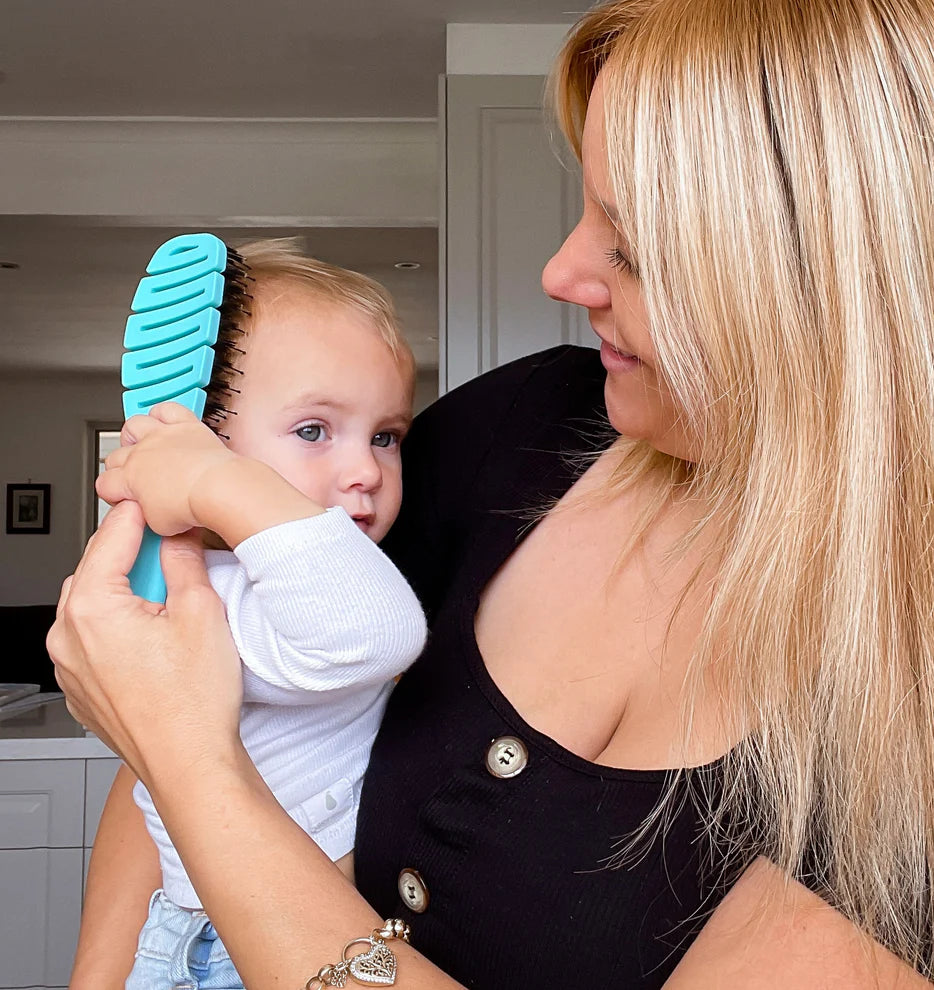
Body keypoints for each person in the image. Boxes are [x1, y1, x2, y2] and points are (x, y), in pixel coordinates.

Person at [48, 1, 934, 987]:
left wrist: (187, 759)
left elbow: (175, 730)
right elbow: (222, 687)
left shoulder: (905, 709)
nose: (561, 272)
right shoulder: (515, 427)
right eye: (586, 208)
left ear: (836, 288)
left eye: (634, 246)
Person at [82, 238, 427, 988]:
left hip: (276, 932)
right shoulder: (210, 598)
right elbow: (379, 635)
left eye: (386, 436)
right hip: (220, 950)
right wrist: (215, 483)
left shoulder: (305, 581)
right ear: (204, 446)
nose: (365, 469)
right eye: (313, 431)